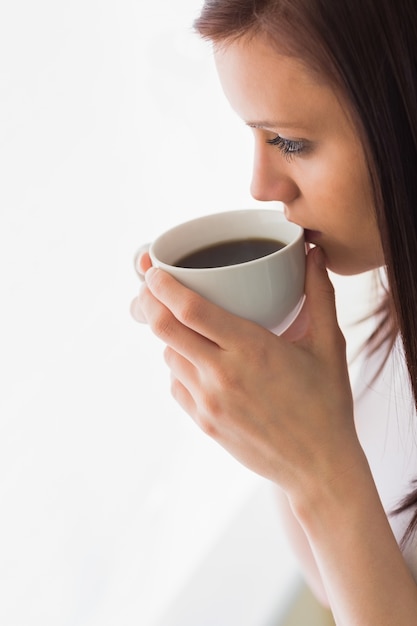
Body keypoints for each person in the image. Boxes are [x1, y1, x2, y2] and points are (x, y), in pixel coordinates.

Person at [131, 0, 417, 622]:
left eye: (290, 141)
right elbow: (343, 588)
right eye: (256, 138)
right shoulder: (381, 322)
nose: (262, 186)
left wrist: (325, 474)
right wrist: (288, 417)